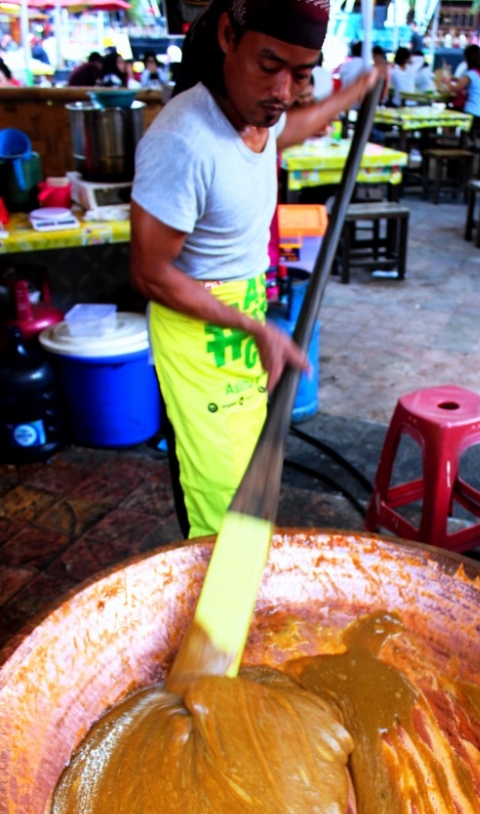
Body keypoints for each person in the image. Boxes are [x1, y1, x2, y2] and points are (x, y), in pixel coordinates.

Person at [130, 0, 377, 539]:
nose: (284, 91)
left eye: (302, 73)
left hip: (242, 324)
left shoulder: (256, 121)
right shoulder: (184, 141)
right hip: (198, 338)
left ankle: (236, 609)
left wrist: (353, 92)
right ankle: (212, 619)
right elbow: (149, 273)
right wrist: (253, 327)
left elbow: (288, 131)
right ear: (227, 34)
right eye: (269, 67)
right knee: (218, 507)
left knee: (247, 484)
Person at [446, 43, 480, 127]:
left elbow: (455, 88)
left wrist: (446, 81)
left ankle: (447, 138)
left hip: (473, 112)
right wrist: (454, 79)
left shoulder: (471, 74)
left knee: (448, 112)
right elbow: (465, 82)